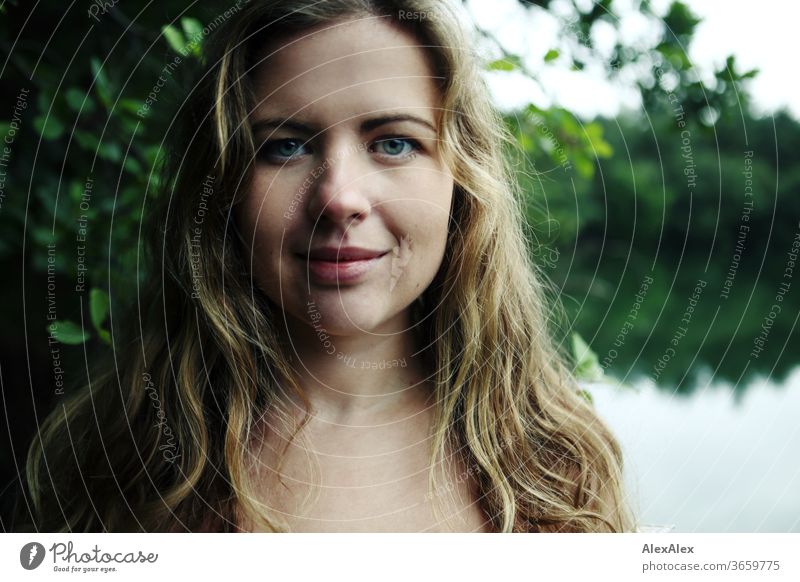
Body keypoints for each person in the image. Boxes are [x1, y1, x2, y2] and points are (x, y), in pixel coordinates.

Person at [26, 0, 633, 532]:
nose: (339, 198)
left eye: (393, 142)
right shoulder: (117, 458)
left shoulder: (556, 465)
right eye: (285, 146)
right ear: (225, 189)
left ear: (461, 182)